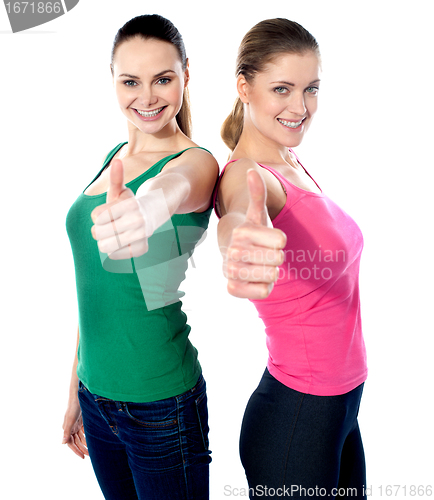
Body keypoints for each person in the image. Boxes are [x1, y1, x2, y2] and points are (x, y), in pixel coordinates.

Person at [62, 14, 218, 500]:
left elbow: (172, 190)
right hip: (96, 398)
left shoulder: (196, 161)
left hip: (161, 407)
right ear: (113, 81)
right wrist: (75, 391)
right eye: (131, 81)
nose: (147, 97)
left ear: (185, 76)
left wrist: (149, 208)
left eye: (163, 79)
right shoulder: (112, 158)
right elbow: (97, 296)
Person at [214, 18, 367, 499]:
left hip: (339, 412)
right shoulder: (251, 178)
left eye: (311, 89)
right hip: (296, 421)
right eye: (282, 89)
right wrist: (241, 240)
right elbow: (241, 214)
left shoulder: (290, 161)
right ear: (244, 86)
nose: (301, 107)